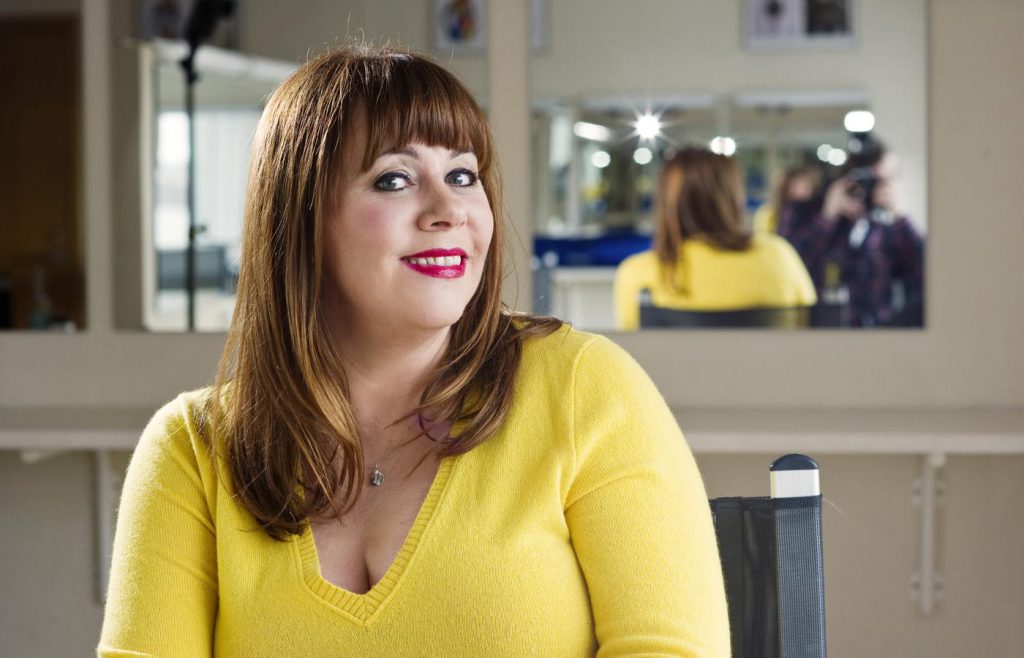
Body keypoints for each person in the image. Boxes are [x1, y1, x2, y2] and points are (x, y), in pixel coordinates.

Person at [98, 45, 729, 656]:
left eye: (462, 175)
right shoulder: (192, 450)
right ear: (302, 222)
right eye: (394, 179)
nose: (448, 210)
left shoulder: (585, 388)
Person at [614, 147, 817, 331]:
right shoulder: (779, 256)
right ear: (734, 197)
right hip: (769, 362)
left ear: (665, 202)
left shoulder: (639, 274)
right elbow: (808, 330)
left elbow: (634, 353)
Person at [777, 136, 925, 327]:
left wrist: (902, 218)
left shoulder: (891, 229)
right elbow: (786, 268)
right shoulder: (807, 211)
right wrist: (827, 216)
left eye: (887, 181)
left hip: (880, 333)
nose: (876, 189)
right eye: (871, 180)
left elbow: (928, 276)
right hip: (821, 330)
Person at [752, 165, 822, 235]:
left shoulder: (814, 214)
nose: (802, 192)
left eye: (806, 187)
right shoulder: (768, 212)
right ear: (786, 188)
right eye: (796, 187)